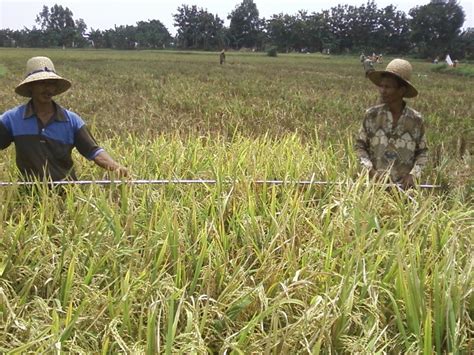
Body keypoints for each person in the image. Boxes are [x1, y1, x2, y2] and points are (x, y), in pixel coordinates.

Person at [0, 56, 128, 182]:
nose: (48, 89)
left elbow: (93, 151)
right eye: (42, 83)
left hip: (65, 193)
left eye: (51, 84)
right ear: (30, 87)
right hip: (28, 194)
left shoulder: (71, 121)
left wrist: (116, 168)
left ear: (55, 88)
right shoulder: (12, 119)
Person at [355, 58, 428, 190]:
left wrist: (413, 175)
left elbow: (422, 152)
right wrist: (371, 172)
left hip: (404, 191)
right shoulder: (371, 115)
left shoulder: (416, 120)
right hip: (373, 190)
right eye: (381, 86)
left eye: (388, 87)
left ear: (401, 91)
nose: (382, 91)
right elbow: (360, 147)